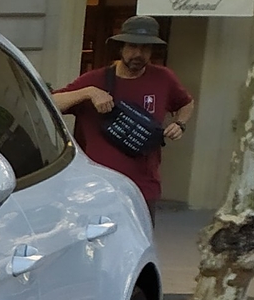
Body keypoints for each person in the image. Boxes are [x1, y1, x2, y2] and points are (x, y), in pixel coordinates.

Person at [50, 16, 193, 216]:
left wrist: (180, 123)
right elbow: (49, 104)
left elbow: (186, 103)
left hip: (143, 188)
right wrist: (88, 92)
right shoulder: (95, 79)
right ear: (121, 48)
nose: (138, 54)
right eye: (133, 46)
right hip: (99, 188)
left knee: (141, 246)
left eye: (145, 48)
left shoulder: (163, 78)